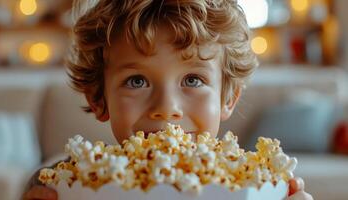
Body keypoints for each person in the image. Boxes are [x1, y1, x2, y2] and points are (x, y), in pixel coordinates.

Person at [23, 0, 313, 199]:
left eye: (192, 80)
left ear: (228, 98)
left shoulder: (248, 188)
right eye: (137, 81)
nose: (166, 108)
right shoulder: (80, 186)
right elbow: (51, 175)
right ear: (99, 98)